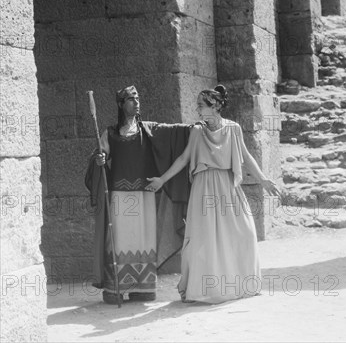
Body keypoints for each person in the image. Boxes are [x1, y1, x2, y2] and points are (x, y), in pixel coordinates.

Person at [146, 84, 282, 304]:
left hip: (228, 186)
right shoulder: (197, 131)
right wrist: (162, 179)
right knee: (205, 238)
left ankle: (242, 284)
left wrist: (263, 179)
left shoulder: (234, 129)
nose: (197, 109)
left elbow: (246, 157)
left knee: (244, 233)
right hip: (204, 187)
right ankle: (205, 289)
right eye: (198, 105)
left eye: (201, 105)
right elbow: (183, 159)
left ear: (216, 106)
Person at [85, 85, 192, 304]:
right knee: (119, 239)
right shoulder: (111, 133)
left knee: (144, 239)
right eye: (131, 99)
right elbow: (100, 153)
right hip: (119, 196)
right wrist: (100, 159)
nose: (136, 102)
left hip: (144, 196)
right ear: (121, 104)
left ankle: (142, 287)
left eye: (138, 98)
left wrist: (196, 127)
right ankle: (115, 287)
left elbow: (175, 132)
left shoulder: (149, 130)